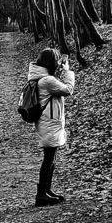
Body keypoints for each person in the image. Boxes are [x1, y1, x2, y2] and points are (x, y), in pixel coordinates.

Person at [27, 47, 75, 207]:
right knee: (48, 159)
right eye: (56, 60)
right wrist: (67, 72)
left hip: (48, 122)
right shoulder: (47, 81)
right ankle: (41, 194)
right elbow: (68, 89)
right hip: (49, 123)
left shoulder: (41, 77)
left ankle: (46, 191)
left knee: (51, 158)